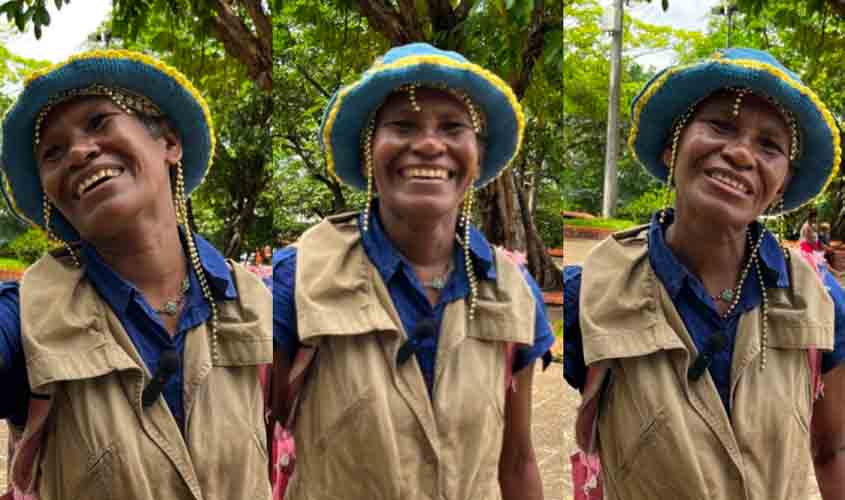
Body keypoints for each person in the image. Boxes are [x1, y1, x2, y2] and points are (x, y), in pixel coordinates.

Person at [274, 43, 553, 499]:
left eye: (452, 127)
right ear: (369, 150)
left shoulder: (513, 292)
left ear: (476, 156)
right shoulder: (298, 280)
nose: (428, 144)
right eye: (403, 125)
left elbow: (517, 462)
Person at [563, 47, 845, 499]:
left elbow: (833, 450)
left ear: (783, 183)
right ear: (673, 146)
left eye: (769, 145)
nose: (739, 153)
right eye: (720, 125)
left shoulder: (819, 299)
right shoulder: (589, 293)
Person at [0, 50, 272, 499]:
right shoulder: (26, 318)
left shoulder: (258, 302)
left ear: (169, 143)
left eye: (98, 122)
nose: (79, 152)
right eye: (53, 152)